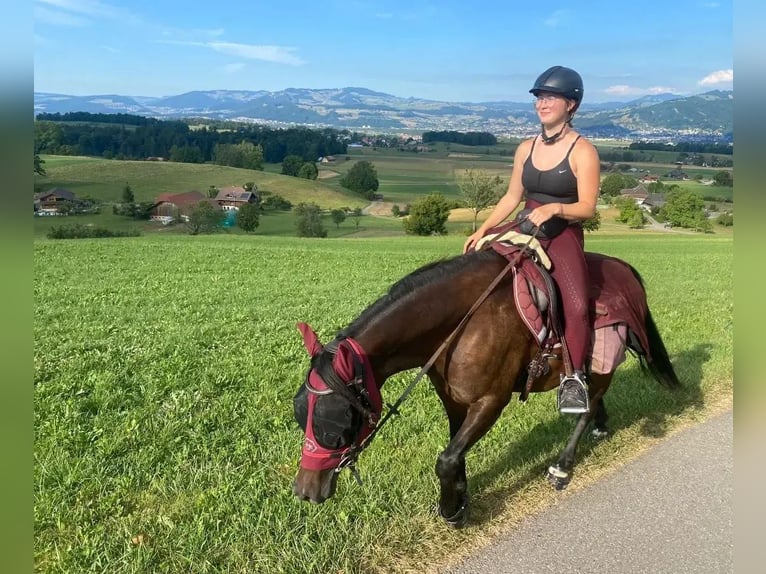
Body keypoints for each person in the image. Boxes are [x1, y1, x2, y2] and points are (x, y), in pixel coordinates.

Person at [463, 65, 600, 415]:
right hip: (524, 224)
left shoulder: (583, 151)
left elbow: (587, 207)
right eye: (540, 96)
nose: (542, 103)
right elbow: (512, 197)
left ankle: (574, 378)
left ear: (571, 104)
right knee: (477, 268)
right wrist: (484, 229)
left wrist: (555, 208)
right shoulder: (526, 147)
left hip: (562, 233)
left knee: (578, 304)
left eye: (551, 97)